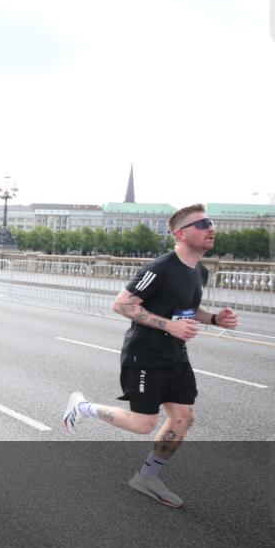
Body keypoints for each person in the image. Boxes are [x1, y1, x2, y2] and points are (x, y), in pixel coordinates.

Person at [62, 204, 239, 508]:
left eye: (211, 223)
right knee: (144, 424)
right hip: (145, 356)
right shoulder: (160, 268)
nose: (211, 228)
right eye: (203, 224)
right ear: (181, 234)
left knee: (184, 418)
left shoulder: (199, 271)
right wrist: (170, 326)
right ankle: (83, 407)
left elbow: (186, 306)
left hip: (175, 355)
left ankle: (147, 477)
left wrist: (213, 319)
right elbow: (122, 304)